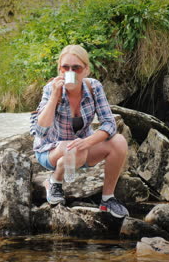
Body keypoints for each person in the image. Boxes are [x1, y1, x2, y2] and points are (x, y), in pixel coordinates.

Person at [32, 45, 129, 218]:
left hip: (81, 150)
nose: (70, 72)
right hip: (51, 151)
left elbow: (109, 124)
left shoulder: (94, 87)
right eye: (65, 68)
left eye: (76, 68)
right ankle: (55, 180)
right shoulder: (51, 89)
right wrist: (54, 96)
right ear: (59, 70)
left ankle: (107, 199)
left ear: (86, 70)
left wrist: (89, 141)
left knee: (119, 141)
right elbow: (40, 130)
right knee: (76, 149)